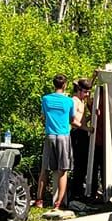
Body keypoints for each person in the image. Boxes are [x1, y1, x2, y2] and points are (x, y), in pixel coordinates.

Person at [37, 75, 75, 211]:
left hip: (50, 135)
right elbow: (72, 118)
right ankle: (58, 202)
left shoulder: (46, 99)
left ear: (54, 84)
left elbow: (44, 116)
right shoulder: (69, 101)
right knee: (63, 170)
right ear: (64, 85)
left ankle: (39, 200)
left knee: (44, 169)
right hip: (63, 136)